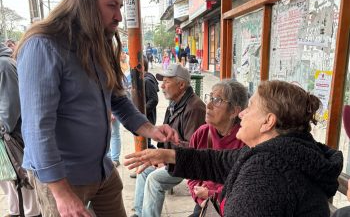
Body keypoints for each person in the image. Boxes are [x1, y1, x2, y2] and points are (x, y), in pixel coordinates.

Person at [14, 0, 178, 216]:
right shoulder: (44, 45)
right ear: (85, 3)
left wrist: (149, 129)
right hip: (63, 178)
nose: (119, 16)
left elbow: (117, 99)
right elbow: (37, 128)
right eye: (111, 6)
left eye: (120, 6)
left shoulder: (98, 43)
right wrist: (61, 193)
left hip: (102, 170)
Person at [126, 80, 343, 217]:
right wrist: (168, 154)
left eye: (250, 108)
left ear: (268, 122)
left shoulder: (266, 176)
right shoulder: (278, 153)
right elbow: (218, 161)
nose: (242, 114)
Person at [131, 64, 206, 217]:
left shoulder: (195, 107)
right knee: (143, 170)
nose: (162, 86)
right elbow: (166, 136)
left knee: (154, 180)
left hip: (187, 162)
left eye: (166, 81)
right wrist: (160, 156)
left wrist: (165, 156)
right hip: (171, 159)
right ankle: (140, 214)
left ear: (181, 85)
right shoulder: (174, 104)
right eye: (162, 81)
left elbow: (195, 148)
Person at [188, 79, 247, 217]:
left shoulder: (245, 140)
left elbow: (244, 188)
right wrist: (200, 198)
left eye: (217, 100)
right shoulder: (201, 133)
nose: (208, 105)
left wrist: (211, 194)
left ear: (234, 111)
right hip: (204, 203)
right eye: (209, 97)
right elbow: (191, 174)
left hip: (231, 207)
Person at [0, 41, 41, 217]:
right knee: (9, 181)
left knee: (20, 183)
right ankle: (15, 211)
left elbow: (10, 108)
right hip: (8, 134)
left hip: (11, 136)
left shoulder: (3, 65)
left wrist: (2, 128)